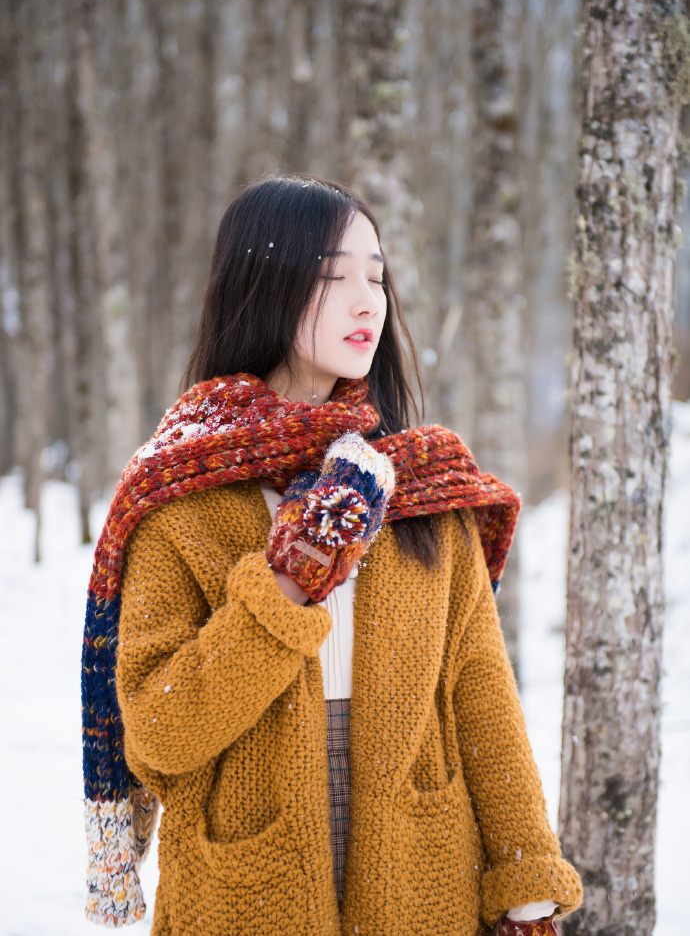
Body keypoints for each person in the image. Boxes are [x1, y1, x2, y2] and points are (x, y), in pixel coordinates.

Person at [81, 175, 582, 935]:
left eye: (376, 276)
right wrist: (294, 574)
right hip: (240, 887)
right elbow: (158, 732)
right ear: (263, 284)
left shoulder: (417, 482)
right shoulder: (179, 494)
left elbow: (480, 691)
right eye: (331, 276)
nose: (366, 302)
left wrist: (526, 871)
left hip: (426, 877)